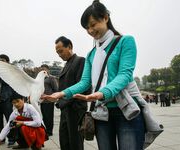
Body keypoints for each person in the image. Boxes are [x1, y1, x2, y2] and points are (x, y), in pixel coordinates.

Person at [41, 1, 145, 150]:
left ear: (105, 18)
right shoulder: (91, 54)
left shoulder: (125, 41)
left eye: (93, 24)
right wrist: (61, 93)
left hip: (126, 110)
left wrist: (101, 93)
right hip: (101, 111)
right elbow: (84, 82)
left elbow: (125, 75)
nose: (90, 30)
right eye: (87, 28)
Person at [42, 36, 90, 150]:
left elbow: (83, 86)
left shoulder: (80, 61)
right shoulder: (66, 65)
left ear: (69, 46)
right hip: (65, 108)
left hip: (76, 108)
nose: (59, 54)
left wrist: (61, 98)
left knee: (75, 142)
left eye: (61, 51)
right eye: (57, 52)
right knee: (64, 141)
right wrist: (55, 98)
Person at [40, 64, 58, 136]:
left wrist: (52, 97)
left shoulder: (51, 78)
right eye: (41, 69)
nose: (42, 70)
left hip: (49, 101)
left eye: (44, 69)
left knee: (49, 117)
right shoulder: (41, 78)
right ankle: (45, 130)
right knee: (44, 116)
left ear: (47, 70)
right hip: (42, 101)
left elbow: (56, 89)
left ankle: (49, 131)